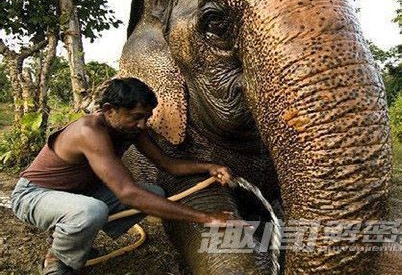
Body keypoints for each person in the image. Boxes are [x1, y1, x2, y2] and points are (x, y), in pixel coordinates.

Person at [10, 77, 241, 275]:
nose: (142, 124)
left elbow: (167, 164)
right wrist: (205, 217)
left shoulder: (130, 129)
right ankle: (56, 259)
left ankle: (74, 235)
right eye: (136, 116)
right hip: (35, 194)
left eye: (147, 117)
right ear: (109, 110)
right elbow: (128, 194)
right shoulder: (89, 131)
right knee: (92, 211)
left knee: (154, 193)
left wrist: (209, 167)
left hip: (80, 194)